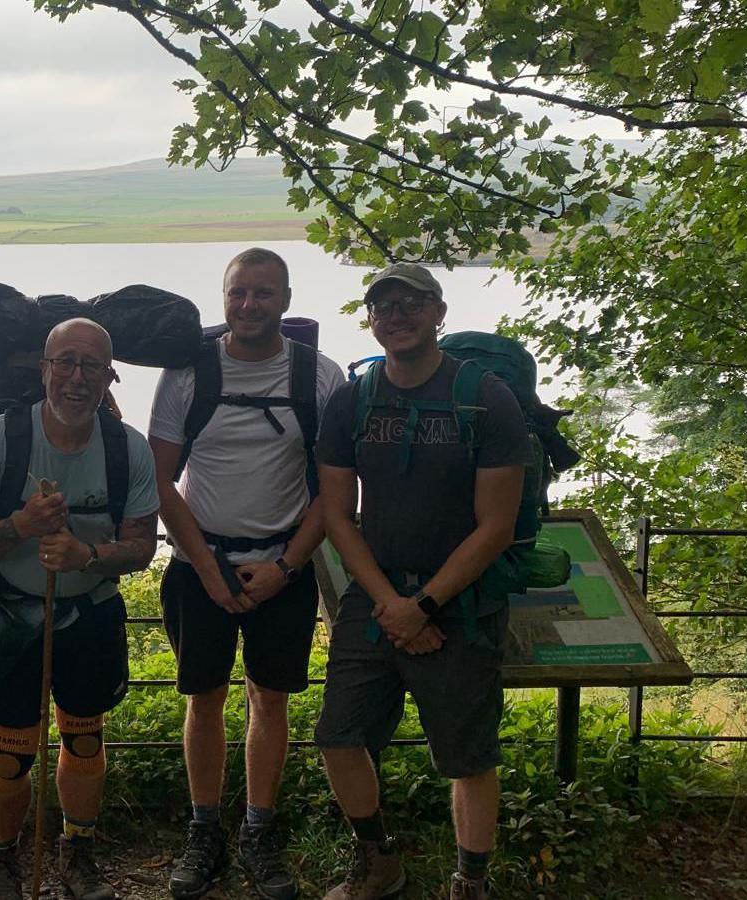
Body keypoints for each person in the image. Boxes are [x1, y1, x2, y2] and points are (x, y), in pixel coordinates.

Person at [312, 263, 528, 900]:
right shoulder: (352, 397)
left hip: (463, 604)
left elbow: (496, 526)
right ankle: (377, 859)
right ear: (370, 318)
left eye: (411, 303)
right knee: (340, 738)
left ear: (438, 311)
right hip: (377, 598)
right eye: (383, 305)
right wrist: (391, 604)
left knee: (468, 755)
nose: (396, 315)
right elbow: (335, 514)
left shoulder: (486, 397)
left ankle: (471, 881)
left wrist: (426, 605)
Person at [148, 248, 345, 900]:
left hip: (280, 566)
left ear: (286, 300)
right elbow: (159, 480)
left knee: (270, 697)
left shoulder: (320, 377)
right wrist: (206, 567)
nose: (250, 305)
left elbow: (337, 493)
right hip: (198, 564)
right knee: (203, 699)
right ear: (223, 297)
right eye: (239, 293)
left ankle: (258, 829)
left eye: (264, 293)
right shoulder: (185, 375)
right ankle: (205, 832)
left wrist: (287, 566)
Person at [0, 319, 159, 900]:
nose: (76, 377)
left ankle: (78, 852)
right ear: (43, 370)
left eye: (92, 366)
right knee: (11, 753)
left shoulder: (127, 448)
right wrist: (20, 526)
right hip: (11, 619)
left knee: (84, 740)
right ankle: (3, 861)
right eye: (64, 362)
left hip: (89, 615)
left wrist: (85, 554)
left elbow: (142, 546)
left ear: (109, 377)